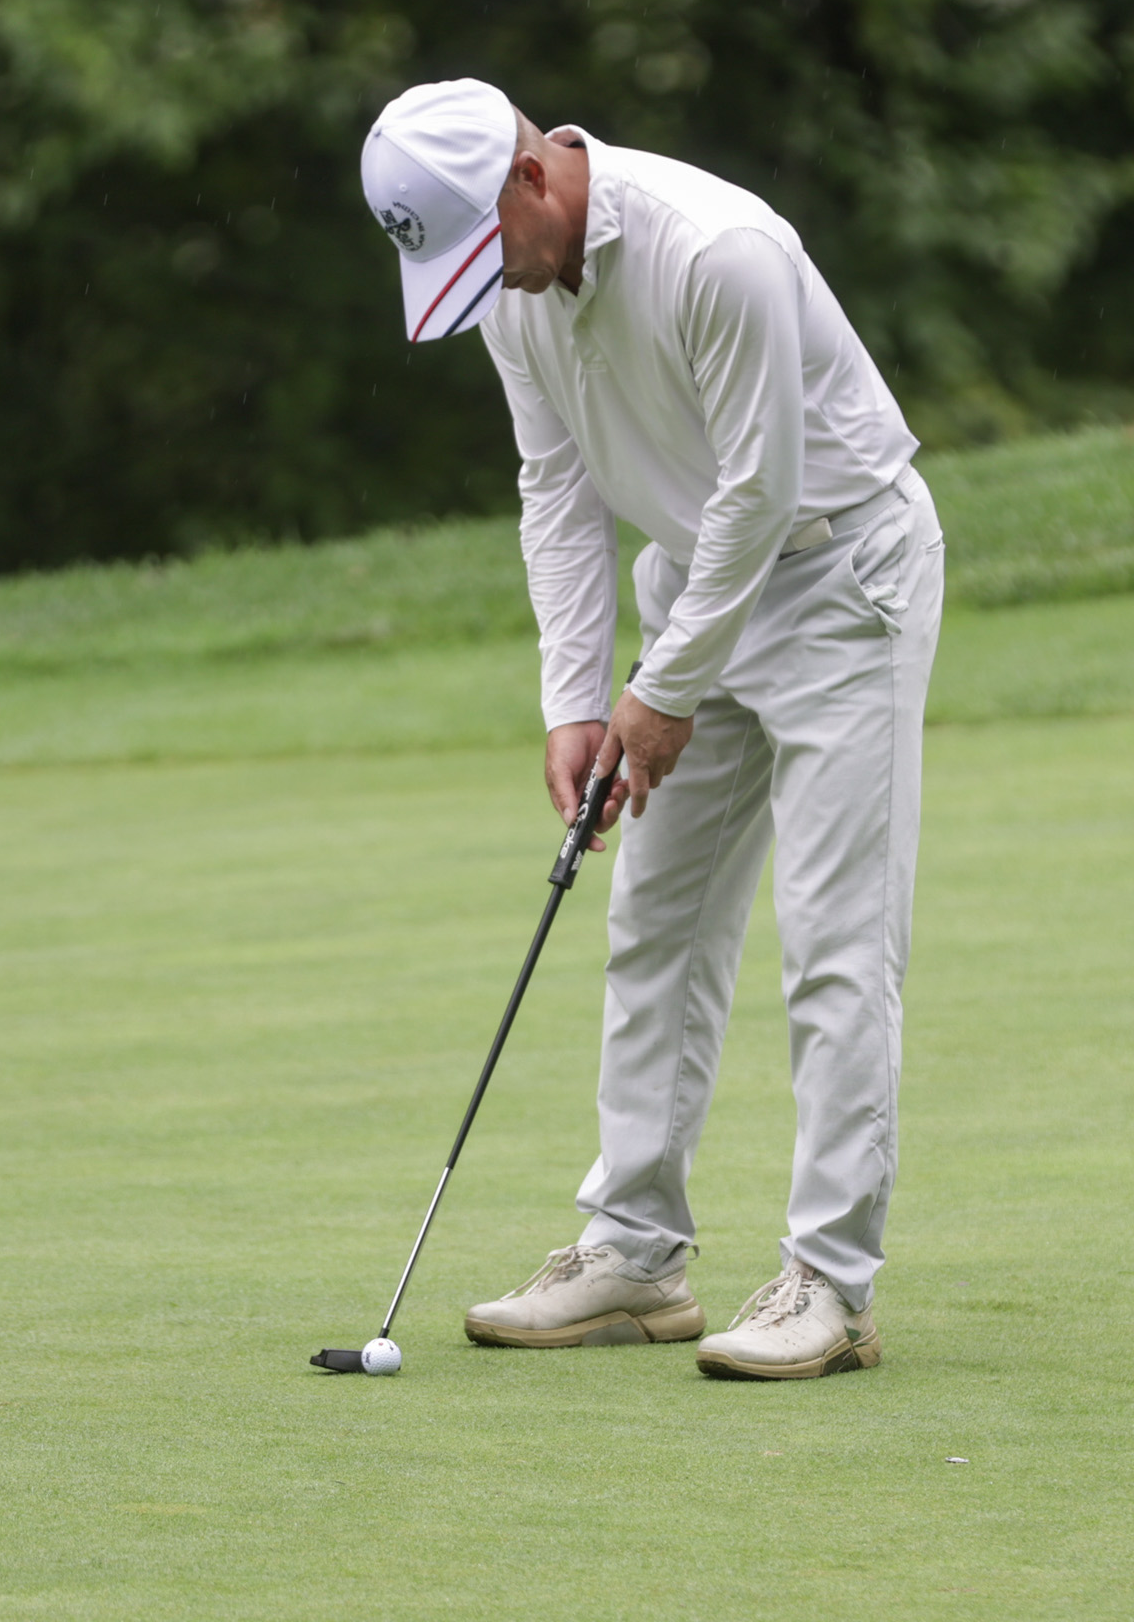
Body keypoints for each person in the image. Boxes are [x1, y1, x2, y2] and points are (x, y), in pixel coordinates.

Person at [359, 77, 944, 1380]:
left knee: (837, 940)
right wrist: (576, 698)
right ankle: (634, 1251)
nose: (486, 286)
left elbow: (762, 486)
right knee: (655, 922)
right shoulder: (515, 289)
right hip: (698, 580)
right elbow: (556, 485)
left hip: (842, 574)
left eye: (484, 252)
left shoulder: (717, 251)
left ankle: (832, 1284)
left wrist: (662, 689)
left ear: (530, 177)